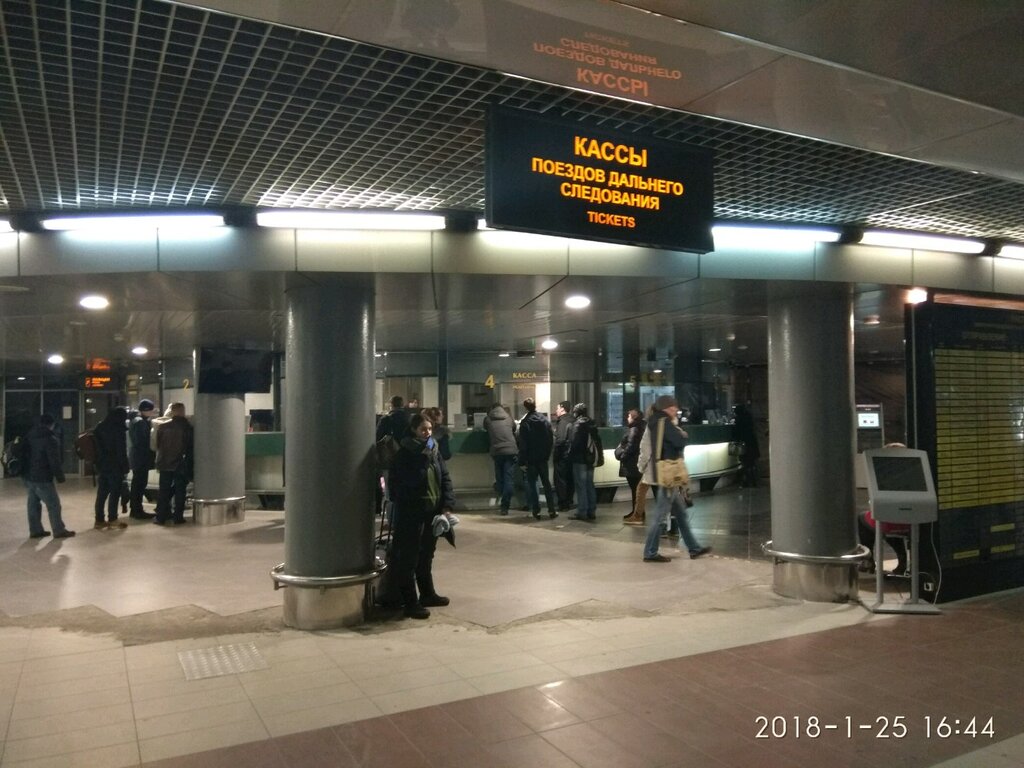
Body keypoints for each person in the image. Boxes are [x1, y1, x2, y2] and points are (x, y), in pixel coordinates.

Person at [386, 414, 456, 619]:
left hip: (433, 513)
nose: (427, 433)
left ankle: (427, 594)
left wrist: (447, 504)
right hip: (411, 514)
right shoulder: (405, 453)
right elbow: (399, 486)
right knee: (408, 557)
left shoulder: (434, 451)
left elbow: (445, 478)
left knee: (426, 554)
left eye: (429, 429)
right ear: (414, 430)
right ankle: (410, 602)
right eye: (423, 429)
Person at [642, 395, 710, 562]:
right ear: (666, 408)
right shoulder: (664, 422)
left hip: (664, 472)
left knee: (680, 514)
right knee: (659, 516)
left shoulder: (654, 421)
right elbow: (678, 441)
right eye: (673, 407)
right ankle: (650, 552)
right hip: (669, 474)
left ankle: (693, 548)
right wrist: (682, 434)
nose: (675, 410)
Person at [23, 414, 75, 539]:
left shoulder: (30, 435)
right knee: (54, 505)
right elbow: (54, 461)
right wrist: (60, 477)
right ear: (51, 424)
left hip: (29, 476)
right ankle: (59, 530)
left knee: (33, 505)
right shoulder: (50, 439)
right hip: (43, 477)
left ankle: (35, 530)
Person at [517, 398, 557, 519]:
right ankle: (551, 510)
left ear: (525, 408)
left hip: (531, 459)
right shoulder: (544, 420)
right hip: (543, 458)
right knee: (547, 484)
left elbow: (523, 444)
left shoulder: (525, 422)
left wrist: (522, 460)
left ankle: (536, 510)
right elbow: (551, 439)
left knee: (533, 484)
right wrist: (547, 454)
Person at [154, 403, 193, 526]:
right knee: (180, 490)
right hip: (180, 463)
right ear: (182, 411)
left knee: (164, 490)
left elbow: (158, 445)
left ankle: (160, 517)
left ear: (172, 411)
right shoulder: (187, 427)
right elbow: (190, 447)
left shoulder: (163, 427)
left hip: (164, 462)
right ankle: (178, 516)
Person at [93, 406, 130, 530]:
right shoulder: (118, 429)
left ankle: (99, 520)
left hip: (102, 465)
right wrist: (125, 466)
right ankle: (113, 519)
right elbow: (121, 451)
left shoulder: (99, 427)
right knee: (114, 493)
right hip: (115, 466)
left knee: (102, 493)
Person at [567, 403, 600, 521]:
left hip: (580, 459)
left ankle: (582, 511)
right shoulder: (592, 423)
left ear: (577, 412)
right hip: (590, 459)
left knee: (581, 486)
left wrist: (569, 455)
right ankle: (592, 510)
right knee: (590, 484)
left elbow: (575, 444)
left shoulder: (578, 424)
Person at [483, 402, 517, 515]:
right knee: (509, 478)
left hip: (497, 451)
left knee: (500, 477)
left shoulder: (487, 419)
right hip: (511, 450)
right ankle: (505, 505)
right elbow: (514, 428)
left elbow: (485, 429)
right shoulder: (509, 418)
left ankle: (501, 497)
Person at [127, 399, 158, 520]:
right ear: (146, 410)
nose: (152, 412)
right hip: (141, 458)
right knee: (139, 484)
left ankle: (135, 509)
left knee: (137, 484)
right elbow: (143, 441)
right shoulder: (140, 423)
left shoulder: (135, 421)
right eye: (151, 410)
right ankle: (137, 510)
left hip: (137, 457)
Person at [617, 408, 648, 525]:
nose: (627, 418)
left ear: (633, 417)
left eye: (629, 416)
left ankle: (637, 513)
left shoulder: (634, 429)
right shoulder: (642, 428)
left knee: (635, 490)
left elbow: (631, 446)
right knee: (636, 490)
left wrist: (621, 455)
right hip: (636, 464)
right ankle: (637, 512)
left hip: (631, 465)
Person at [552, 400, 575, 511]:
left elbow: (560, 439)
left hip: (562, 456)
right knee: (570, 479)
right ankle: (569, 500)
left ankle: (563, 503)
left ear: (562, 409)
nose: (556, 410)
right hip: (571, 455)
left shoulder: (562, 422)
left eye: (557, 408)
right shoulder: (572, 420)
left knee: (560, 480)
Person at [731, 402, 761, 487]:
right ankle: (754, 481)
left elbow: (736, 432)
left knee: (745, 463)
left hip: (744, 444)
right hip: (752, 442)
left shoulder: (738, 419)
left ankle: (747, 481)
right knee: (752, 463)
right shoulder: (749, 417)